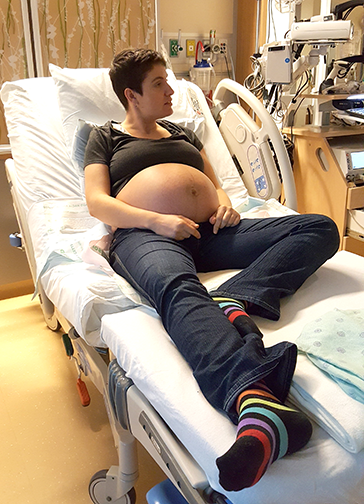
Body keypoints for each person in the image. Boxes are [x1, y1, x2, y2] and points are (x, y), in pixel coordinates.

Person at [84, 48, 340, 492]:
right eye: (160, 83)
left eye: (170, 80)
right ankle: (255, 403)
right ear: (132, 95)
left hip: (210, 231)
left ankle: (236, 296)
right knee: (176, 285)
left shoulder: (183, 132)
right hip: (145, 235)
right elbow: (97, 202)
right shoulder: (105, 138)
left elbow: (217, 185)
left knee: (318, 228)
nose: (171, 90)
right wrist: (156, 220)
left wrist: (222, 206)